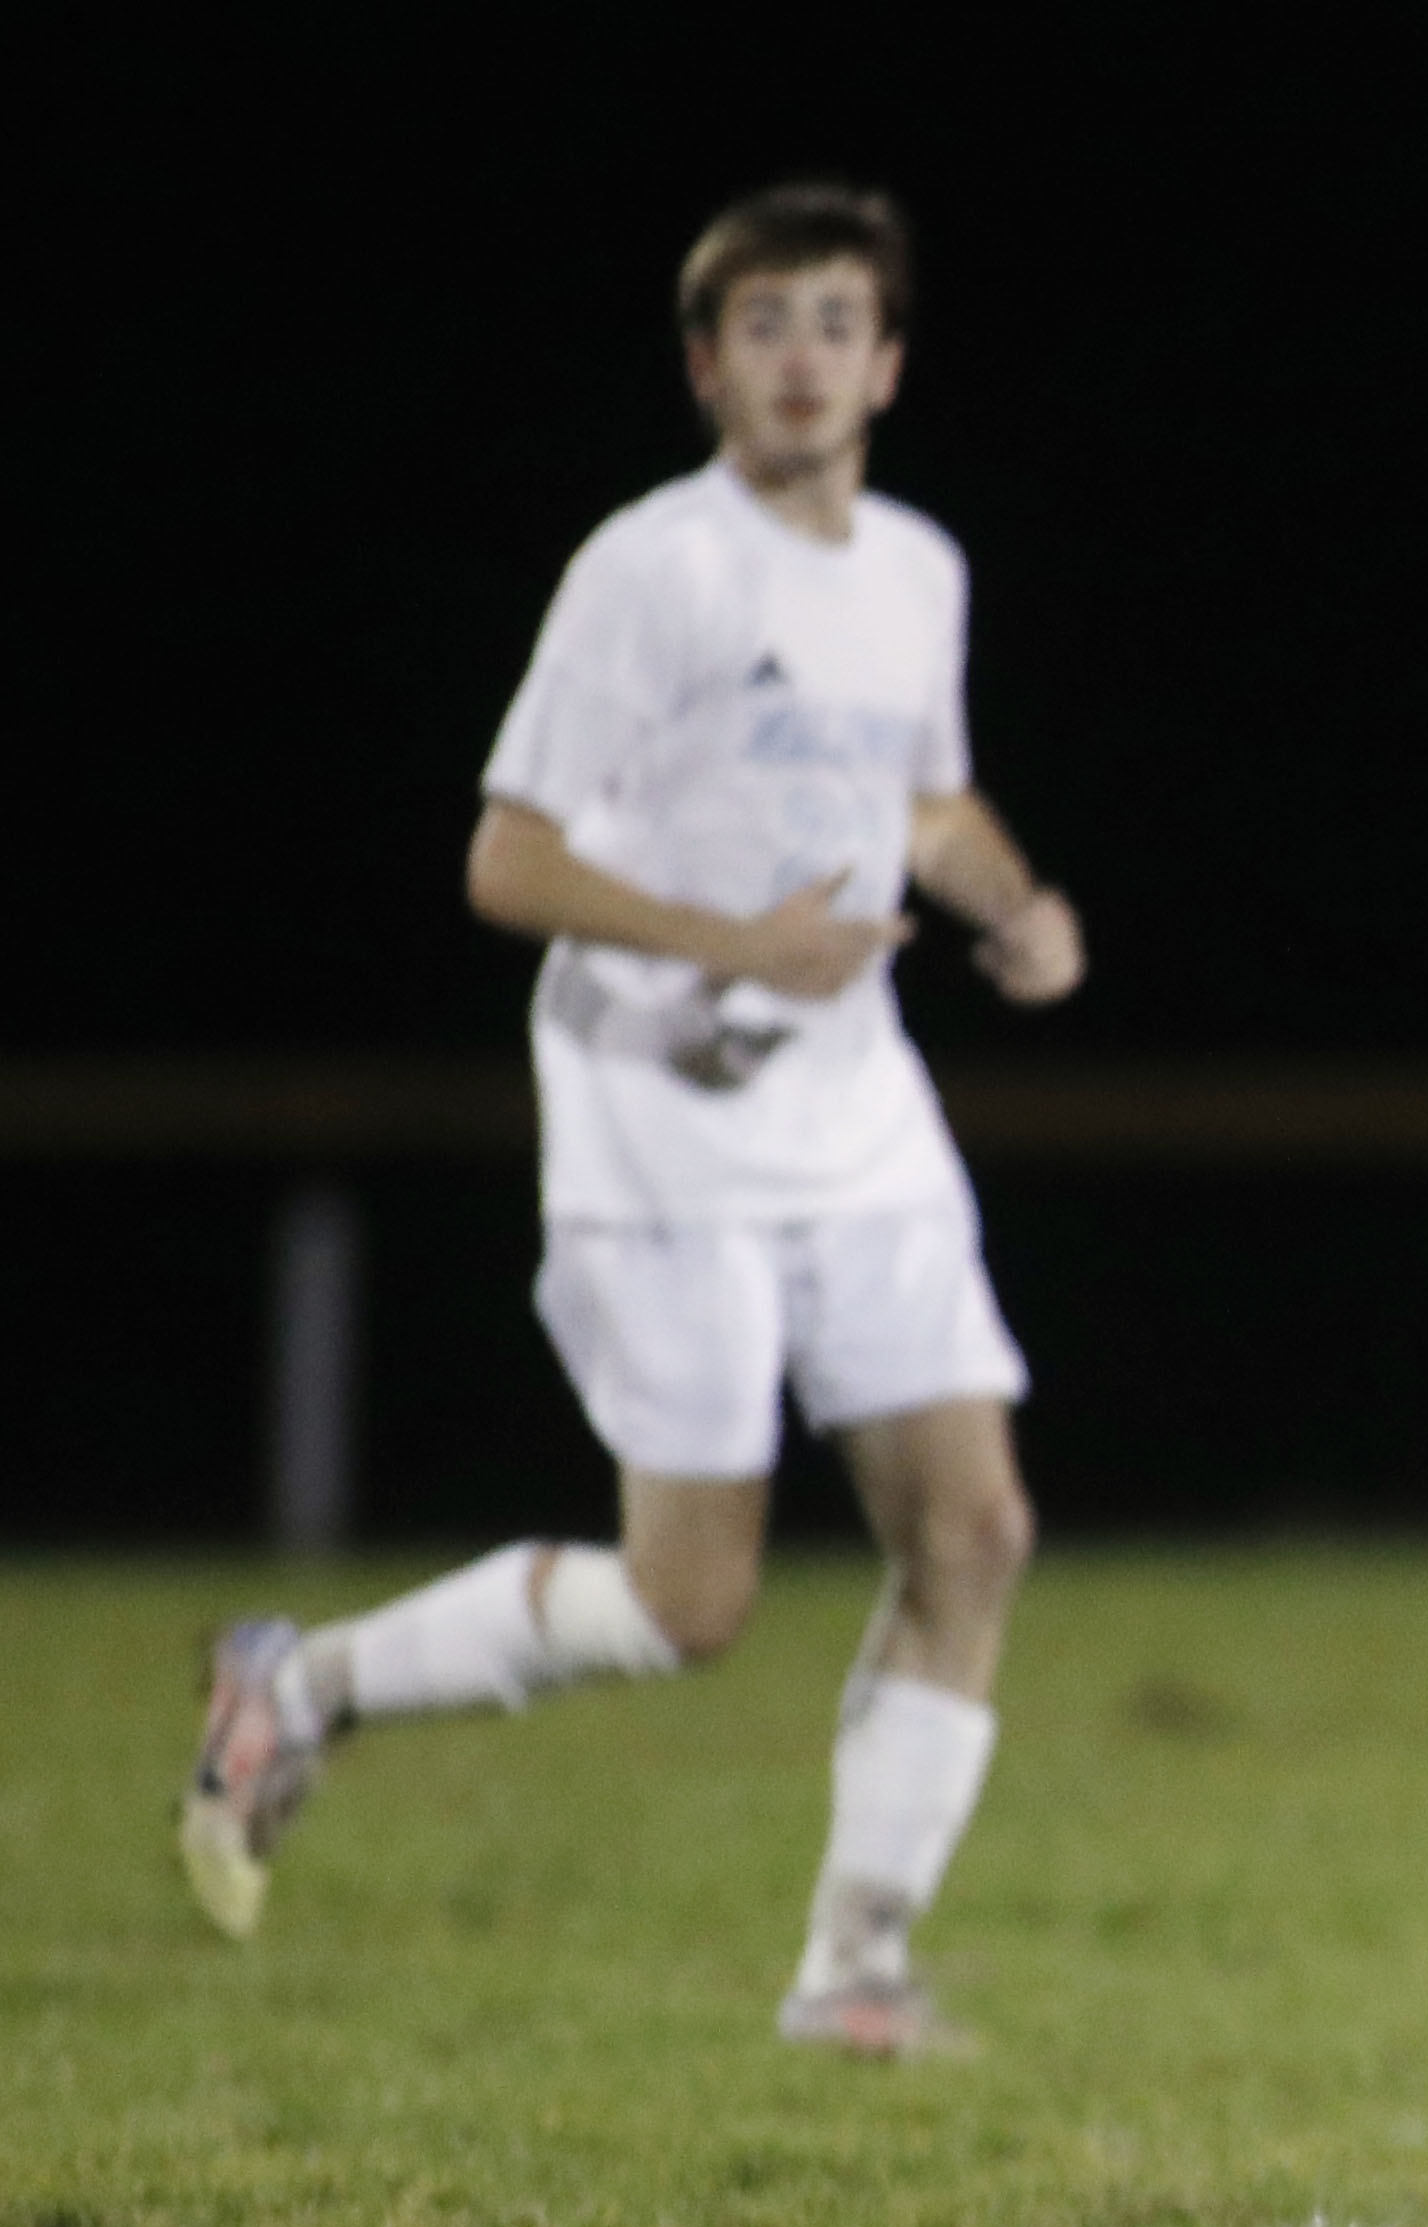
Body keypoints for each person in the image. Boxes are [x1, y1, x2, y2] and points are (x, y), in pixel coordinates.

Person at [178, 184, 1085, 2060]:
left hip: (856, 1114)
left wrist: (1014, 901)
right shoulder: (649, 570)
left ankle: (855, 1970)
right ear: (705, 366)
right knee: (692, 1605)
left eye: (838, 322)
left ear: (890, 364)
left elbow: (923, 800)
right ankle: (308, 1683)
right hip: (657, 1124)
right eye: (764, 324)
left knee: (975, 1529)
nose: (803, 358)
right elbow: (508, 857)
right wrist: (729, 938)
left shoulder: (918, 568)